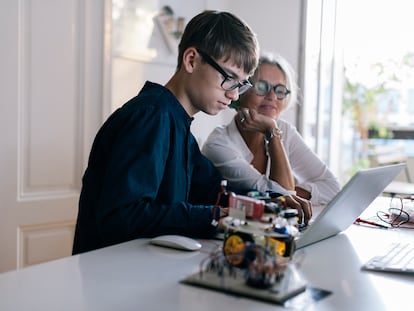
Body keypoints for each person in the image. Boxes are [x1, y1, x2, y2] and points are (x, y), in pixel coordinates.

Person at [72, 10, 260, 254]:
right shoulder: (151, 116)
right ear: (191, 60)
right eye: (229, 78)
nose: (234, 94)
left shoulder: (178, 124)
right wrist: (212, 217)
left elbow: (212, 190)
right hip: (111, 277)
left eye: (241, 84)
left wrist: (267, 204)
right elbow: (122, 215)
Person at [202, 52, 340, 207]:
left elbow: (333, 188)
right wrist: (272, 131)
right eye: (262, 86)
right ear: (240, 91)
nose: (272, 96)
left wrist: (292, 192)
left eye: (280, 90)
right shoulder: (219, 144)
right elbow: (283, 198)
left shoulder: (285, 130)